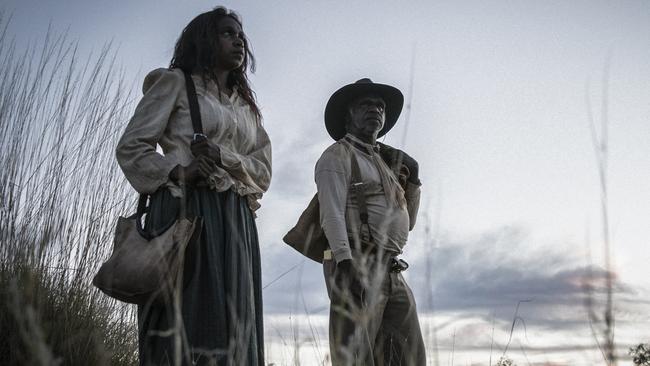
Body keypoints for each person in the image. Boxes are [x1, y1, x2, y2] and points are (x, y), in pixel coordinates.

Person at [115, 7, 271, 366]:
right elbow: (132, 147)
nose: (238, 41)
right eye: (227, 33)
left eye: (241, 36)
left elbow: (262, 172)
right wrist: (178, 171)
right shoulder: (175, 83)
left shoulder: (247, 109)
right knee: (189, 317)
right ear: (204, 39)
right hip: (187, 212)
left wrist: (224, 157)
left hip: (236, 220)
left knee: (237, 321)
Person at [316, 78, 426, 365]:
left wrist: (413, 177)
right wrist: (345, 262)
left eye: (380, 106)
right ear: (348, 115)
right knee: (356, 357)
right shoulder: (336, 156)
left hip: (392, 268)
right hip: (357, 263)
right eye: (365, 104)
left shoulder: (386, 165)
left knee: (408, 356)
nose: (375, 109)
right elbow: (331, 214)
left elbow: (409, 222)